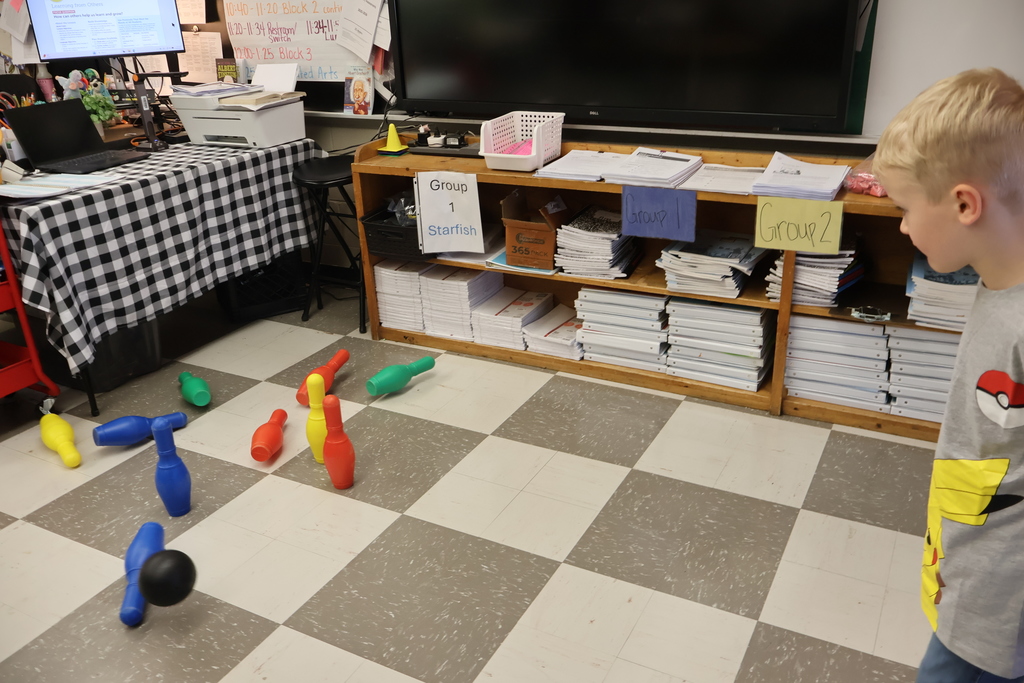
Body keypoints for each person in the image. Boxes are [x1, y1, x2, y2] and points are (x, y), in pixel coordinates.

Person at [873, 67, 1024, 682]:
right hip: (966, 554)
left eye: (908, 208)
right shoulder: (996, 285)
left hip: (1000, 598)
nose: (903, 225)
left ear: (964, 203)